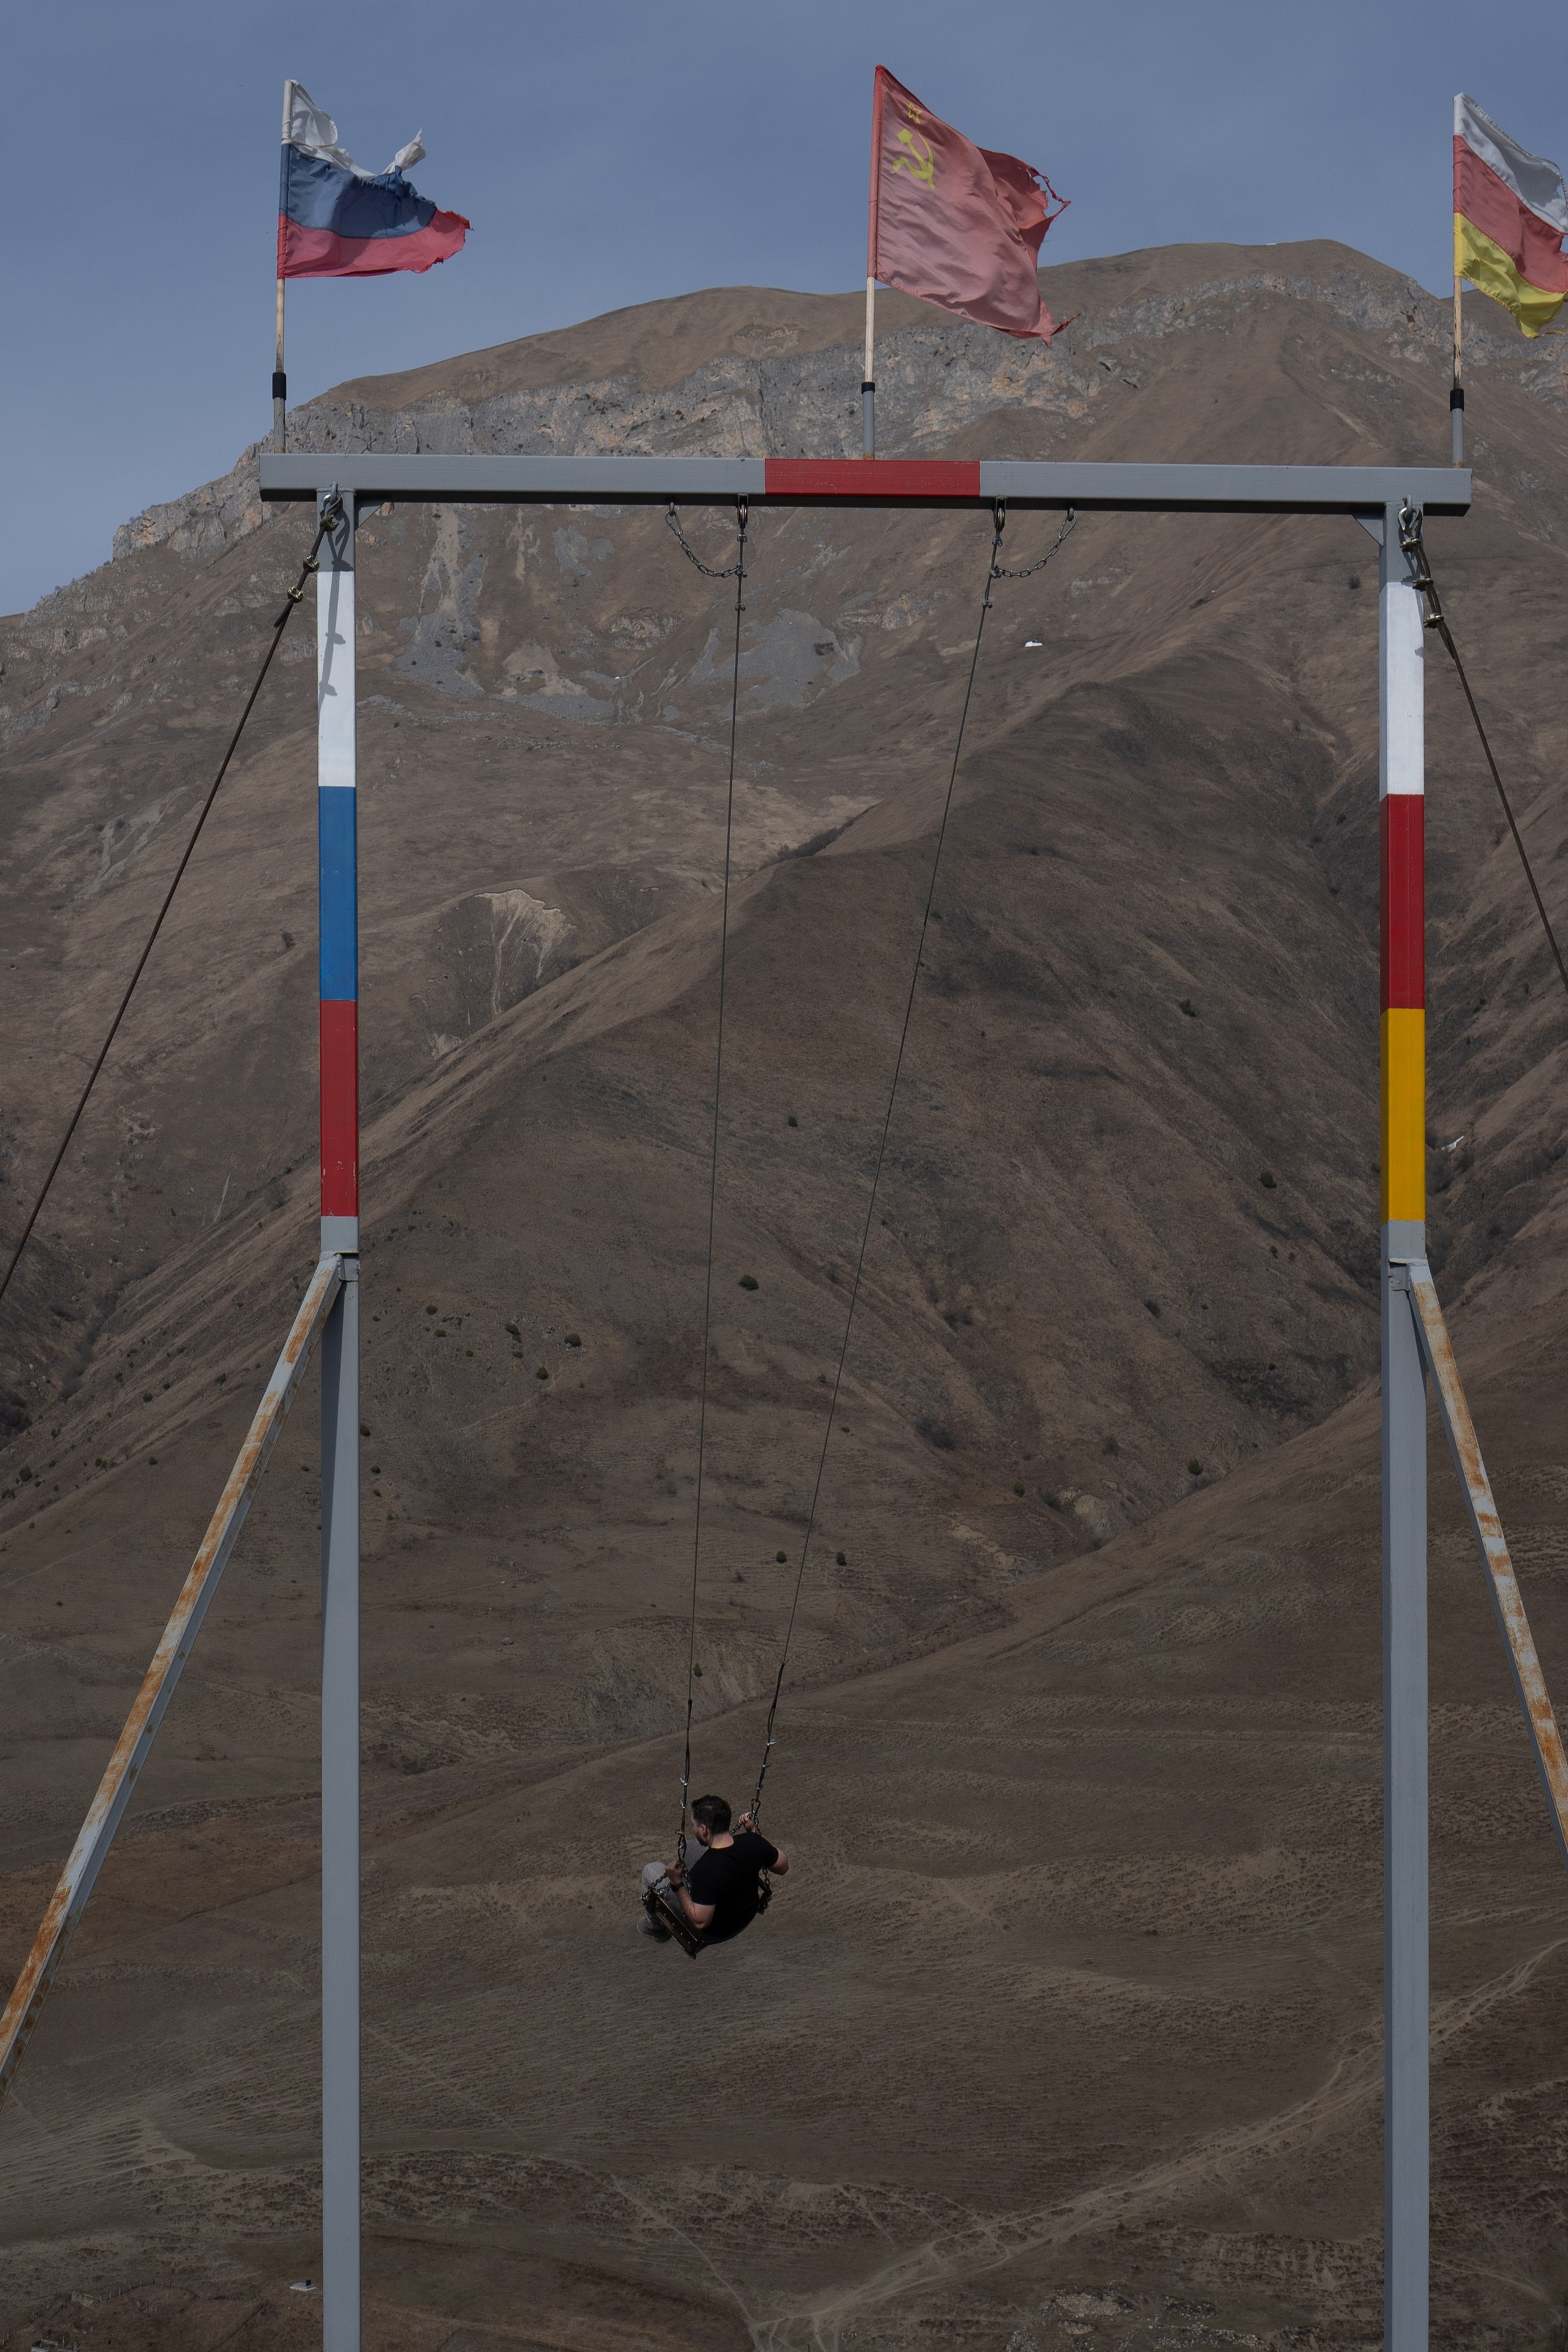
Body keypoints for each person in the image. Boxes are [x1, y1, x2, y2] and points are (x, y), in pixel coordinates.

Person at [639, 1793, 788, 1947]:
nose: (692, 1829)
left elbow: (700, 1921)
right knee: (689, 1848)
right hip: (746, 1913)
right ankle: (702, 1895)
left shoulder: (705, 1870)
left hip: (715, 1932)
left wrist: (677, 1883)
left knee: (650, 1871)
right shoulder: (754, 1841)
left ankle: (655, 1929)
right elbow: (783, 1866)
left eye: (693, 1825)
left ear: (704, 1829)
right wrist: (755, 1832)